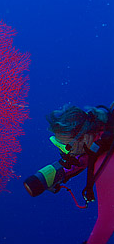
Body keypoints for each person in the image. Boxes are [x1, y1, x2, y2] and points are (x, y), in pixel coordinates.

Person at [24, 103, 114, 244]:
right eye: (56, 143)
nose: (62, 152)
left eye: (65, 147)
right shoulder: (100, 133)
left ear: (84, 139)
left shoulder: (106, 165)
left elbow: (107, 221)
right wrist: (50, 176)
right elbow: (83, 158)